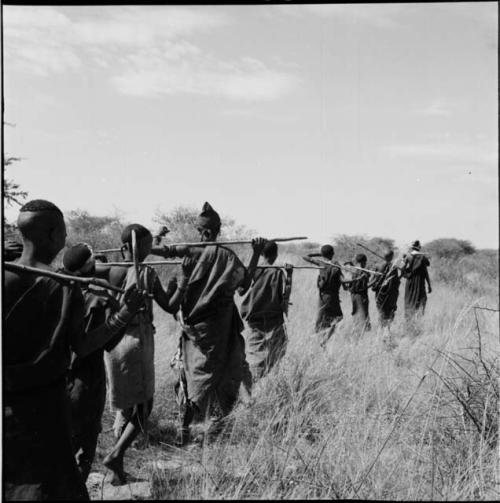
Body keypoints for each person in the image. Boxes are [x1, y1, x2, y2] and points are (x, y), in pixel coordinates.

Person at [3, 199, 107, 500]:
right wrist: (124, 314)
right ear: (51, 234)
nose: (64, 241)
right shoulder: (63, 285)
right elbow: (83, 346)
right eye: (63, 233)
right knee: (50, 484)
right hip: (45, 409)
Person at [153, 202, 265, 445]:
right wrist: (256, 252)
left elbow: (154, 249)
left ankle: (187, 431)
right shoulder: (228, 256)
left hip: (196, 331)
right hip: (221, 330)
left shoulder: (188, 252)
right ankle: (215, 428)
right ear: (218, 230)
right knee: (223, 373)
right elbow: (245, 283)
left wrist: (160, 235)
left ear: (200, 230)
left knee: (194, 375)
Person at [95, 223, 187, 485]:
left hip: (113, 342)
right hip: (136, 341)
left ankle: (116, 469)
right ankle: (116, 455)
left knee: (127, 404)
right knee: (143, 406)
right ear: (128, 248)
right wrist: (182, 284)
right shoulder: (143, 273)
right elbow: (170, 306)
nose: (147, 253)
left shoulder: (106, 270)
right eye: (144, 248)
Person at [61, 243, 145, 482]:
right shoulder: (97, 300)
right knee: (81, 450)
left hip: (50, 382)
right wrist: (125, 313)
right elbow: (93, 345)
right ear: (90, 268)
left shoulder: (51, 287)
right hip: (82, 383)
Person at [239, 241, 292, 381]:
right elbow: (285, 299)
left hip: (254, 321)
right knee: (276, 353)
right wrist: (290, 276)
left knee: (254, 354)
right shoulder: (277, 272)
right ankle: (255, 382)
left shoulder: (254, 269)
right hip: (273, 320)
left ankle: (254, 383)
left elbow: (241, 289)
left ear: (261, 254)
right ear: (276, 254)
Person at [303, 245, 343, 346]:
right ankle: (324, 340)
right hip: (332, 296)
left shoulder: (321, 263)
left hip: (322, 296)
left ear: (323, 254)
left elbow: (305, 256)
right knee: (337, 317)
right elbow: (343, 280)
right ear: (332, 253)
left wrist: (319, 254)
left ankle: (322, 340)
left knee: (323, 319)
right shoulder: (335, 266)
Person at [370, 250, 401, 329]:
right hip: (390, 296)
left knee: (381, 312)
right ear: (391, 257)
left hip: (379, 294)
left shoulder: (377, 266)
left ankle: (382, 330)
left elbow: (372, 281)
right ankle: (387, 330)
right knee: (389, 315)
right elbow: (396, 282)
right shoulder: (393, 267)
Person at [402, 240, 432, 320]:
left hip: (410, 283)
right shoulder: (423, 257)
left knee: (409, 300)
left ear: (412, 247)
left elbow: (402, 268)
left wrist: (405, 274)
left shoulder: (408, 256)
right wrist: (429, 285)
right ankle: (418, 320)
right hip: (420, 283)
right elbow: (426, 271)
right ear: (419, 247)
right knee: (421, 301)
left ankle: (409, 320)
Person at [343, 253, 371, 332]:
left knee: (356, 312)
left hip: (353, 295)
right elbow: (365, 285)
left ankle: (357, 328)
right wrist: (376, 280)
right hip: (361, 295)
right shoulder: (364, 272)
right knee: (363, 314)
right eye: (365, 262)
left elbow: (346, 283)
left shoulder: (352, 269)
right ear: (363, 262)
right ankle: (360, 331)